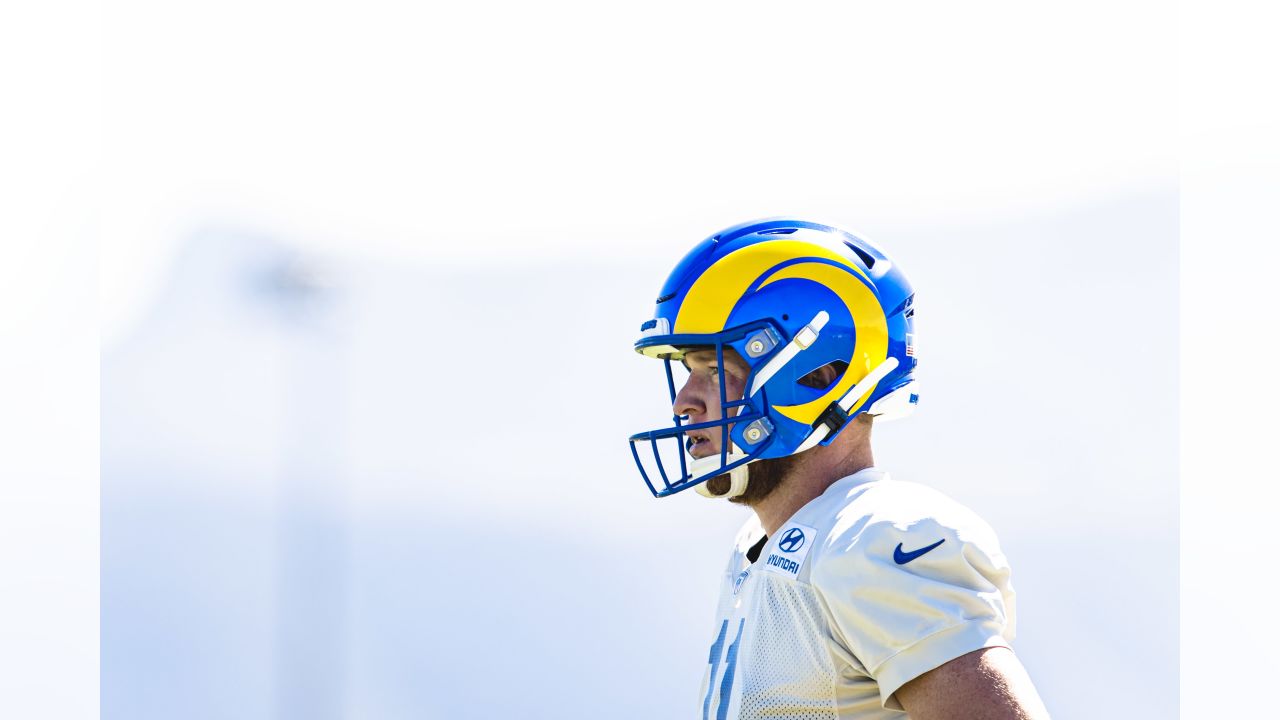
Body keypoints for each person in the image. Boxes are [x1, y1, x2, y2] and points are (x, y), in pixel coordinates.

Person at [627, 219, 1050, 719]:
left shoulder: (877, 539)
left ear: (818, 376)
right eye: (688, 371)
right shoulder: (764, 545)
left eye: (716, 370)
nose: (684, 403)